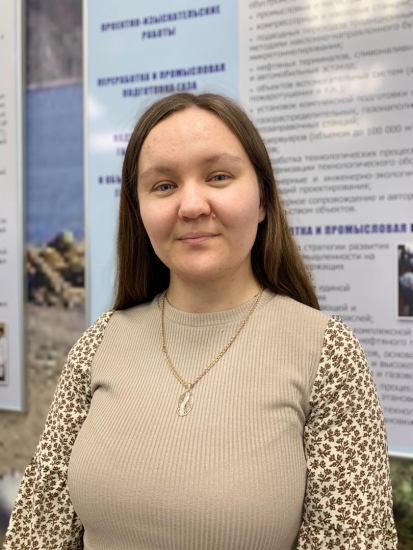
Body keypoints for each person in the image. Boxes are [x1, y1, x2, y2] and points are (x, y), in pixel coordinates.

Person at [4, 93, 397, 549]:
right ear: (139, 212)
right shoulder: (101, 342)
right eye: (164, 185)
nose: (191, 205)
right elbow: (38, 530)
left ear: (263, 200)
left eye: (218, 177)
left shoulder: (325, 351)